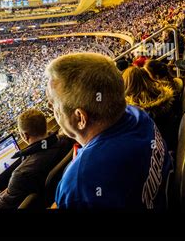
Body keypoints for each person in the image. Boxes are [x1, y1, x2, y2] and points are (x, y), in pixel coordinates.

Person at [45, 53, 173, 209]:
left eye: (54, 104)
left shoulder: (81, 183)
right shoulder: (138, 114)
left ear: (80, 118)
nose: (52, 110)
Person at [0, 108, 73, 209]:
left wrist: (1, 195)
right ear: (45, 125)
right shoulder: (65, 140)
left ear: (25, 135)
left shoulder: (21, 174)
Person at [123, 66, 177, 149]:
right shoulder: (163, 97)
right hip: (168, 145)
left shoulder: (133, 113)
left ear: (127, 85)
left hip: (158, 151)